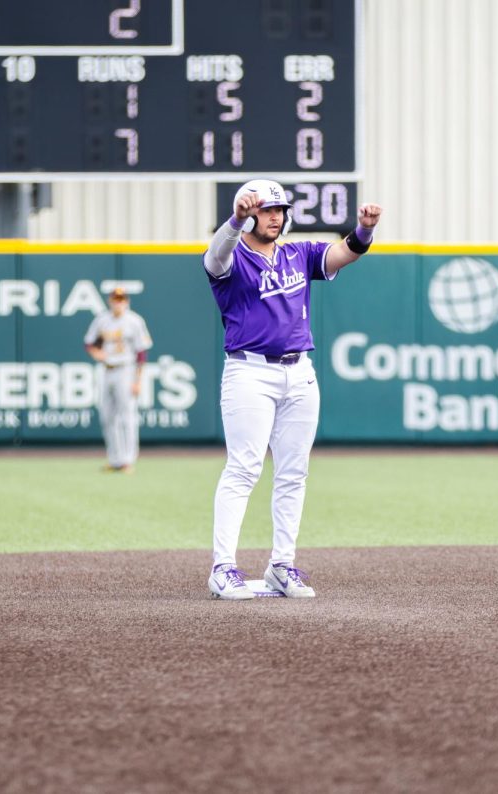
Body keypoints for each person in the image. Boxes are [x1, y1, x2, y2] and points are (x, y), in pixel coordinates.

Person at [202, 178, 382, 600]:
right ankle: (222, 567)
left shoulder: (298, 254)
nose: (275, 216)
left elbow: (345, 251)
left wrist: (366, 229)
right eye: (267, 210)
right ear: (249, 213)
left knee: (293, 473)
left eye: (280, 210)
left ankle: (281, 565)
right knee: (244, 468)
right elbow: (215, 255)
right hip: (249, 372)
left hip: (300, 372)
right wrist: (235, 219)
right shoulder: (233, 257)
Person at [84, 286, 153, 473]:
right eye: (115, 299)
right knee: (107, 416)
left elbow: (141, 353)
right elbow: (89, 342)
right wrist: (96, 352)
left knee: (127, 416)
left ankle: (128, 460)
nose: (118, 302)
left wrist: (138, 381)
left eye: (122, 299)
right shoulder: (102, 320)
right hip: (107, 370)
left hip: (126, 369)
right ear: (110, 301)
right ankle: (114, 460)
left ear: (127, 301)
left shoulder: (134, 321)